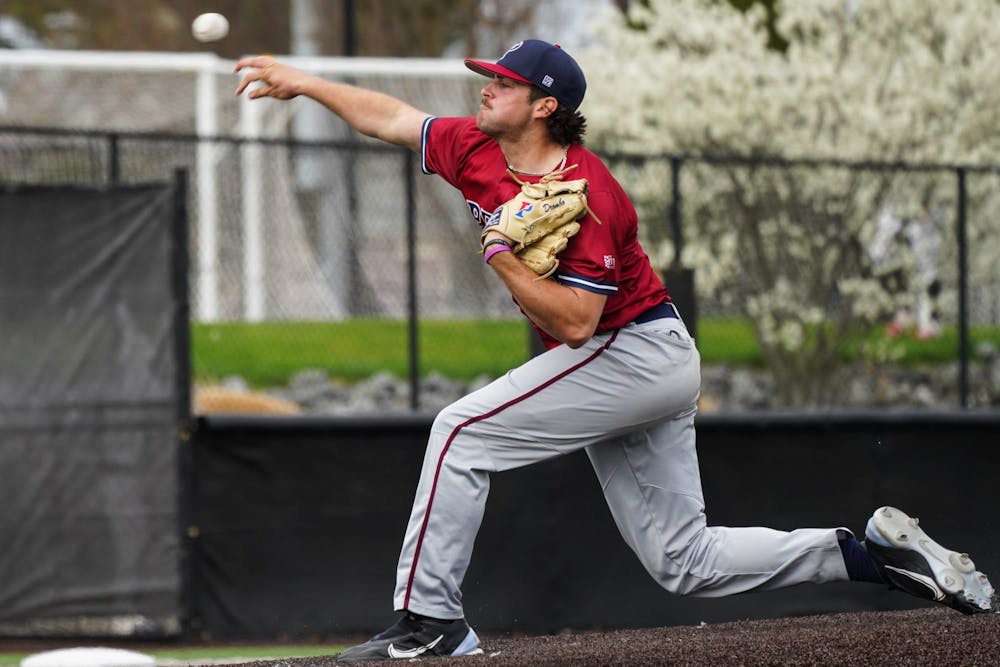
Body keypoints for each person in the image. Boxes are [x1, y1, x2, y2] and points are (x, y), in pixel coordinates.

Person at [235, 40, 995, 663]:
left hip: (633, 350)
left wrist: (499, 255)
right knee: (684, 561)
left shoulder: (588, 191)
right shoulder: (474, 146)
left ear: (546, 105)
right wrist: (304, 81)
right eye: (487, 79)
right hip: (630, 359)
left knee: (460, 432)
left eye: (502, 83)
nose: (484, 90)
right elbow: (395, 118)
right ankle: (869, 555)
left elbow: (574, 326)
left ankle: (430, 620)